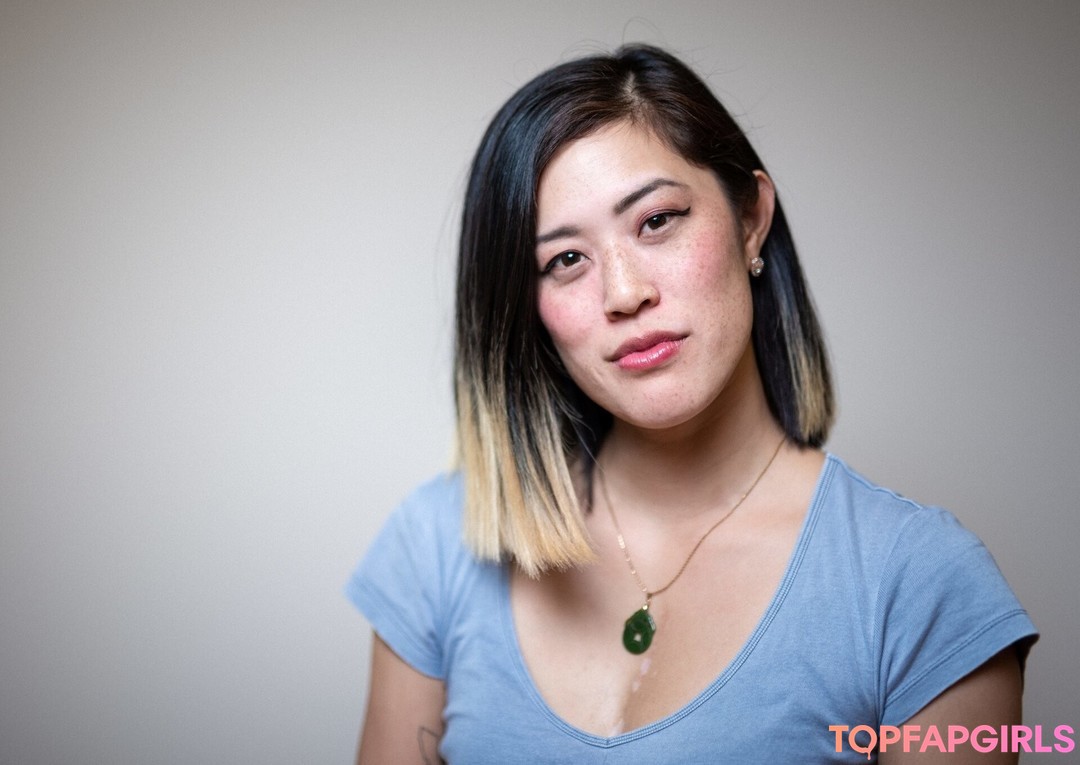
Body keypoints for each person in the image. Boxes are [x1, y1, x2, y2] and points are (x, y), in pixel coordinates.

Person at [346, 44, 1037, 763]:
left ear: (750, 219)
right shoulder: (438, 545)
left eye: (657, 220)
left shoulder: (922, 587)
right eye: (565, 260)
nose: (624, 293)